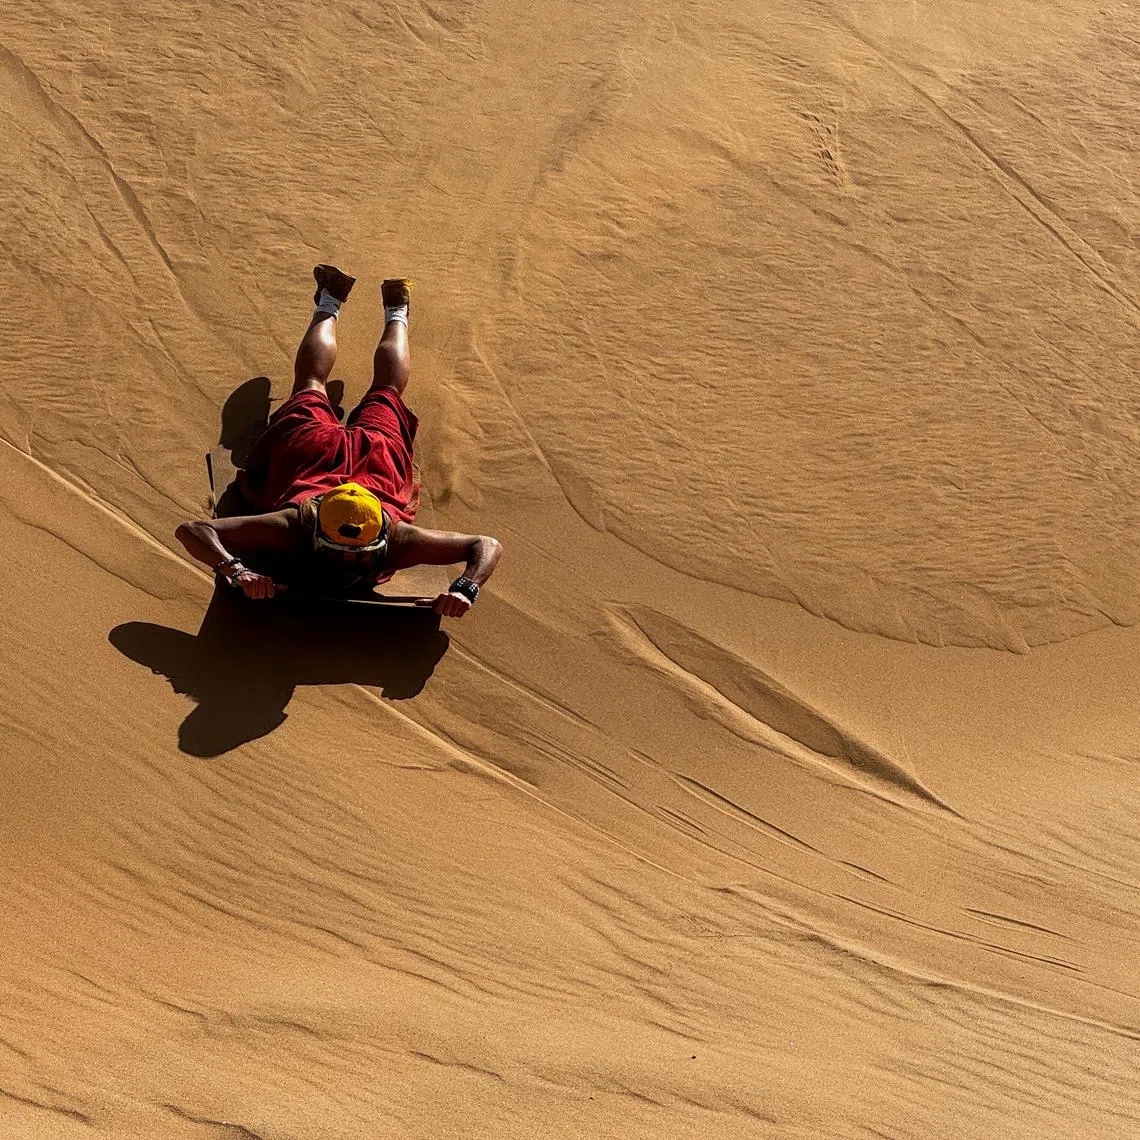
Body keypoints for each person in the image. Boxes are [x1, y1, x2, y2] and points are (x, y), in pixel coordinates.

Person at [175, 266, 502, 618]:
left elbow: (488, 545)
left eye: (360, 554)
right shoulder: (292, 526)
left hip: (334, 452)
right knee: (378, 390)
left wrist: (467, 588)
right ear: (314, 530)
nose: (351, 561)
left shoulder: (395, 539)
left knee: (316, 384)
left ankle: (342, 300)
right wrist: (236, 570)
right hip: (354, 453)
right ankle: (389, 308)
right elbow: (193, 530)